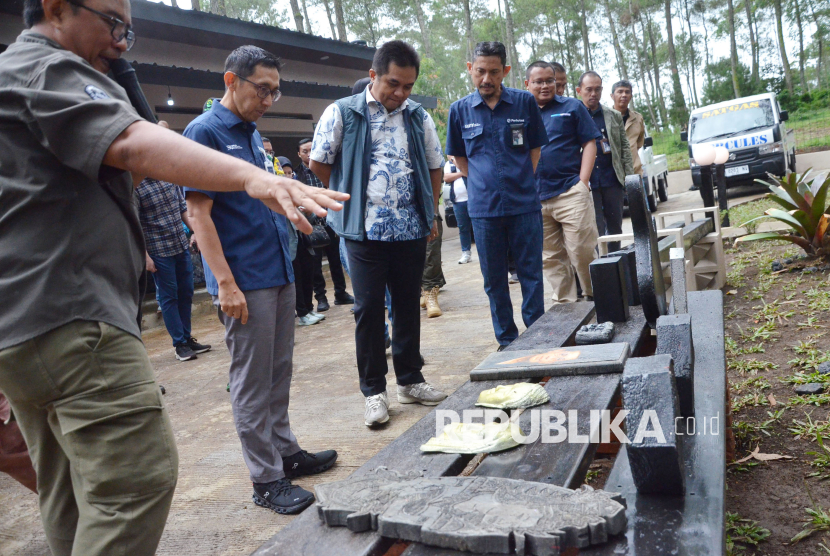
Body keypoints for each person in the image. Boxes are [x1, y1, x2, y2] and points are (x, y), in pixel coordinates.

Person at [0, 0, 347, 551]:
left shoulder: (32, 80)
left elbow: (106, 181)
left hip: (31, 321)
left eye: (129, 32)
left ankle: (284, 452)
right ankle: (267, 477)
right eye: (113, 24)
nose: (120, 43)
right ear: (55, 8)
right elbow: (152, 164)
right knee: (135, 479)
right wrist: (254, 186)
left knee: (71, 487)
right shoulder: (47, 69)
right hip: (72, 316)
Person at [184, 45, 339, 516]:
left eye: (276, 90)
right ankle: (265, 479)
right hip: (244, 278)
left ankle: (286, 453)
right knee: (251, 382)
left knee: (278, 372)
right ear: (232, 81)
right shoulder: (204, 132)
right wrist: (225, 284)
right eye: (262, 89)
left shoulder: (250, 133)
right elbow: (198, 214)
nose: (270, 99)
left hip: (276, 269)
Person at [309, 40, 448, 427]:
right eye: (393, 84)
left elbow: (435, 165)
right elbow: (321, 163)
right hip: (362, 231)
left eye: (407, 86)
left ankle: (410, 380)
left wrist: (430, 207)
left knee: (407, 305)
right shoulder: (342, 113)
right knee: (368, 310)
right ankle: (374, 392)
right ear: (373, 76)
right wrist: (353, 199)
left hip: (409, 229)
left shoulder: (418, 116)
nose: (400, 93)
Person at [445, 41, 549, 350]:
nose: (486, 79)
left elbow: (534, 149)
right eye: (480, 72)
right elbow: (460, 159)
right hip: (484, 210)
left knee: (531, 274)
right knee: (494, 281)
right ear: (470, 69)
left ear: (505, 71)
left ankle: (538, 336)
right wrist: (482, 183)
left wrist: (519, 181)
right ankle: (507, 341)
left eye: (494, 72)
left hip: (524, 206)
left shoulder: (524, 103)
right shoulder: (459, 110)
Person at [525, 61, 601, 304]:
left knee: (582, 251)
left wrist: (583, 181)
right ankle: (567, 306)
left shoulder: (571, 106)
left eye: (550, 80)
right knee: (551, 257)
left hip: (570, 191)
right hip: (535, 197)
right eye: (538, 81)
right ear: (527, 84)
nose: (545, 86)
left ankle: (596, 297)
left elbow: (590, 142)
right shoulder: (519, 112)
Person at [137, 121, 212, 361]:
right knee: (168, 296)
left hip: (179, 243)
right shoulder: (136, 186)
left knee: (187, 291)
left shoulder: (168, 175)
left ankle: (188, 337)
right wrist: (145, 256)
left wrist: (196, 231)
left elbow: (182, 207)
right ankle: (179, 344)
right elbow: (135, 224)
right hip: (158, 249)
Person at [577, 70, 634, 252]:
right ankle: (599, 267)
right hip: (587, 182)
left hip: (612, 179)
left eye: (597, 89)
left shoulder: (613, 115)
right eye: (589, 90)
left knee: (615, 225)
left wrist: (629, 179)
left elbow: (624, 147)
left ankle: (616, 261)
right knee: (594, 227)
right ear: (579, 91)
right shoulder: (574, 114)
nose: (593, 94)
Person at [295, 138, 355, 312]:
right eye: (304, 151)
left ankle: (341, 294)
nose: (308, 154)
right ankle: (321, 298)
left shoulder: (327, 170)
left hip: (331, 220)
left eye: (311, 150)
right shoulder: (297, 175)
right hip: (311, 224)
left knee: (336, 259)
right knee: (315, 265)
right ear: (299, 154)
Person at [611, 80, 646, 175]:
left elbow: (639, 143)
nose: (624, 95)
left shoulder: (638, 118)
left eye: (627, 92)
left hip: (635, 172)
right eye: (620, 91)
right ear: (612, 96)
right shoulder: (606, 118)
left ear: (631, 96)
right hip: (613, 174)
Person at [444, 155, 473, 264]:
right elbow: (446, 178)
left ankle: (483, 251)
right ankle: (466, 252)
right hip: (457, 201)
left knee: (478, 227)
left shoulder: (468, 161)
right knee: (462, 227)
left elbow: (469, 172)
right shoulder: (448, 165)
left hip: (472, 199)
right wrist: (461, 173)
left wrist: (455, 161)